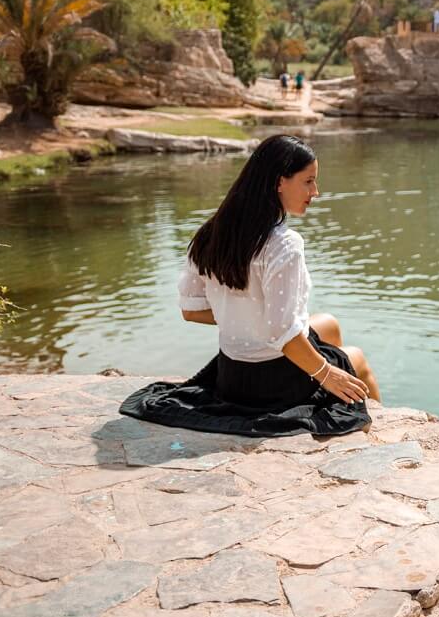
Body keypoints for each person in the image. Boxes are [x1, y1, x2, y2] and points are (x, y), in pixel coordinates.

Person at [120, 135, 380, 438]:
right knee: (356, 358)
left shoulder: (210, 233)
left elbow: (191, 311)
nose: (315, 192)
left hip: (232, 376)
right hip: (271, 385)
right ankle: (375, 437)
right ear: (279, 182)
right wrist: (325, 374)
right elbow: (281, 334)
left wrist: (242, 316)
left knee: (329, 326)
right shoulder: (284, 245)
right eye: (308, 181)